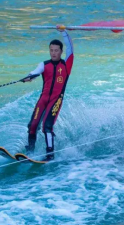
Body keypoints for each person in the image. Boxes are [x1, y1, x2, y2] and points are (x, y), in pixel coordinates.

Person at [23, 24, 74, 161]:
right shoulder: (44, 65)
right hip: (44, 99)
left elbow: (71, 48)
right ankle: (30, 151)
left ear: (61, 51)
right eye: (51, 50)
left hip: (56, 100)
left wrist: (64, 32)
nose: (53, 53)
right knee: (33, 125)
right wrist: (29, 76)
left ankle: (50, 154)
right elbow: (35, 71)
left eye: (56, 50)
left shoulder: (66, 65)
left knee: (47, 127)